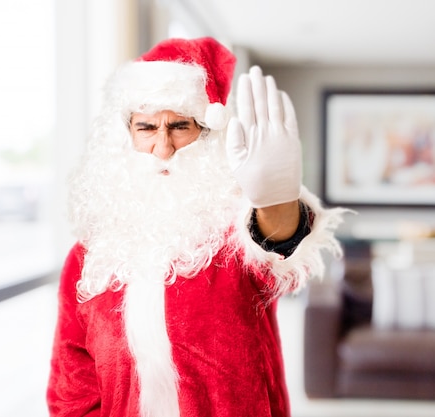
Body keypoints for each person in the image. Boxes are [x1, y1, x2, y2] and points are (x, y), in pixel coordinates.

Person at [46, 37, 345, 417]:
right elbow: (72, 386)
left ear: (205, 131)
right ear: (127, 135)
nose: (162, 146)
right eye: (147, 127)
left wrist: (274, 200)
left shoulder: (233, 232)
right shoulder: (90, 256)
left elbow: (277, 247)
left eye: (179, 126)